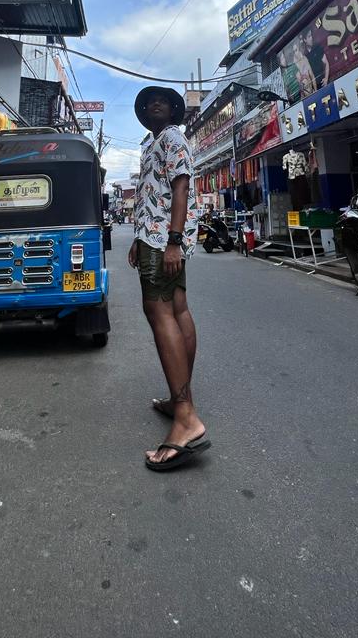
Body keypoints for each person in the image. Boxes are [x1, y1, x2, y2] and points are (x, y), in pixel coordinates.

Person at [127, 86, 210, 471]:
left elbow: (180, 187)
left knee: (159, 314)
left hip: (165, 240)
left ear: (173, 110)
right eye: (148, 102)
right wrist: (137, 239)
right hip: (154, 237)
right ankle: (180, 398)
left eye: (162, 100)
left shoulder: (174, 137)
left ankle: (186, 417)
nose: (154, 104)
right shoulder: (151, 143)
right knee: (177, 309)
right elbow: (150, 194)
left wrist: (173, 241)